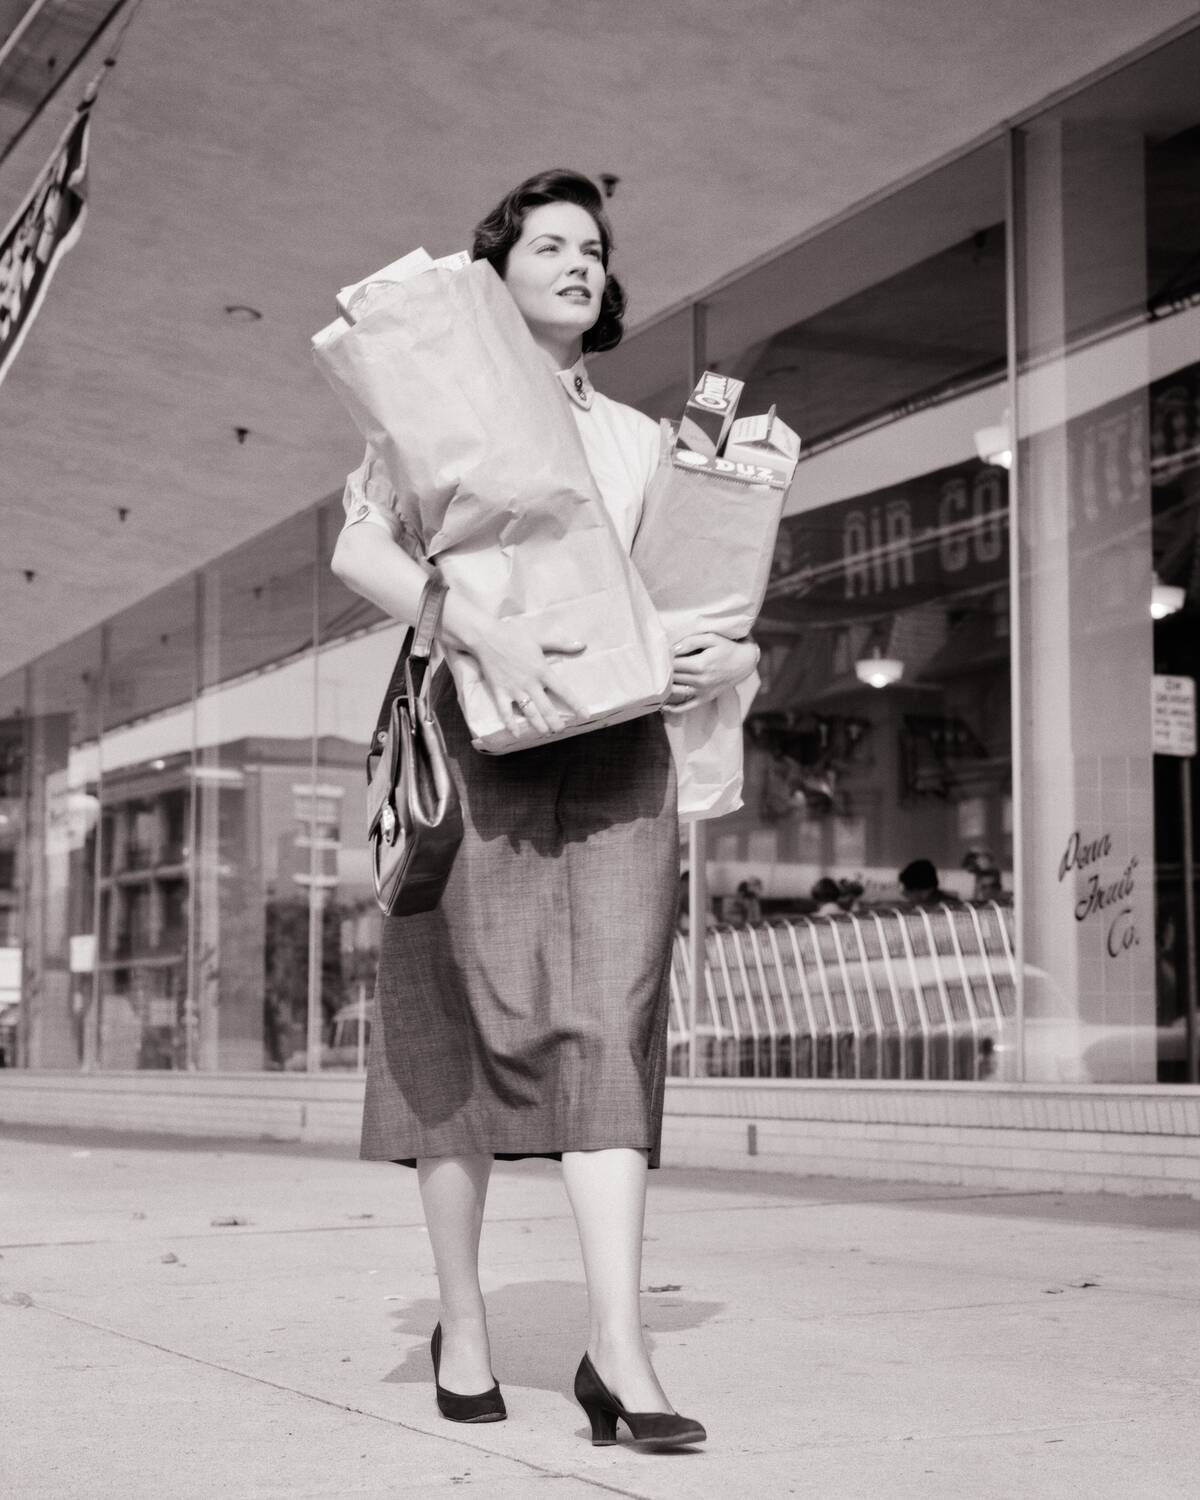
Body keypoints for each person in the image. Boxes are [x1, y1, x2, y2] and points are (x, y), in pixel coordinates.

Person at [331, 170, 758, 1447]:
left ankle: (619, 1350)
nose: (579, 262)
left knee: (613, 1027)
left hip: (621, 754)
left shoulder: (641, 440)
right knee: (456, 1031)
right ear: (495, 272)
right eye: (550, 244)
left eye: (593, 248)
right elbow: (358, 550)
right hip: (479, 740)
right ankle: (463, 1323)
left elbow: (691, 595)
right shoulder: (433, 402)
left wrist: (727, 658)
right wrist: (475, 626)